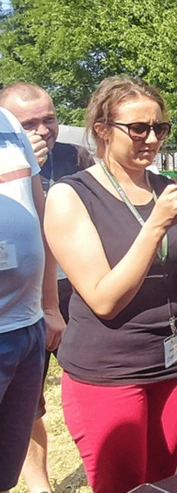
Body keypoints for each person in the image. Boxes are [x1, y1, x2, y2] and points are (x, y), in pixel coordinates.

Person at [43, 76, 177, 493]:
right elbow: (103, 300)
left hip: (175, 366)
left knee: (162, 481)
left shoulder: (164, 190)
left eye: (160, 128)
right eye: (138, 128)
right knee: (121, 487)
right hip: (110, 374)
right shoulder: (71, 195)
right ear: (102, 129)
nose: (151, 139)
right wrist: (157, 223)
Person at [1, 82, 89, 493]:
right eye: (29, 123)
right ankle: (38, 483)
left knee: (87, 373)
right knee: (32, 396)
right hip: (25, 300)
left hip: (72, 288)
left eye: (49, 119)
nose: (42, 130)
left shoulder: (76, 156)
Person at [0, 104, 61, 493]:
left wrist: (49, 305)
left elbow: (42, 216)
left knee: (6, 464)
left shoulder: (6, 122)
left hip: (27, 325)